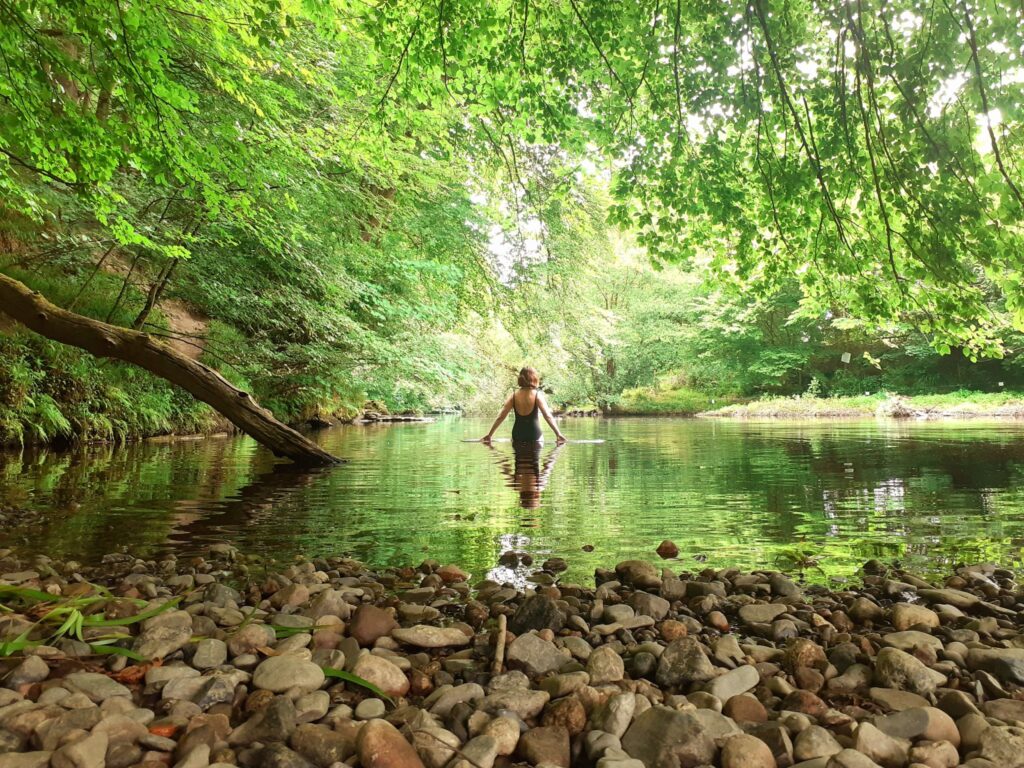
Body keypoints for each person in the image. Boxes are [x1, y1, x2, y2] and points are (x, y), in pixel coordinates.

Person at [481, 367, 567, 444]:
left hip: (517, 435)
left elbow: (501, 417)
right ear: (534, 378)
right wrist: (558, 434)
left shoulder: (513, 396)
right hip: (535, 435)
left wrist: (489, 435)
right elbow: (547, 416)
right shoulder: (537, 395)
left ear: (520, 379)